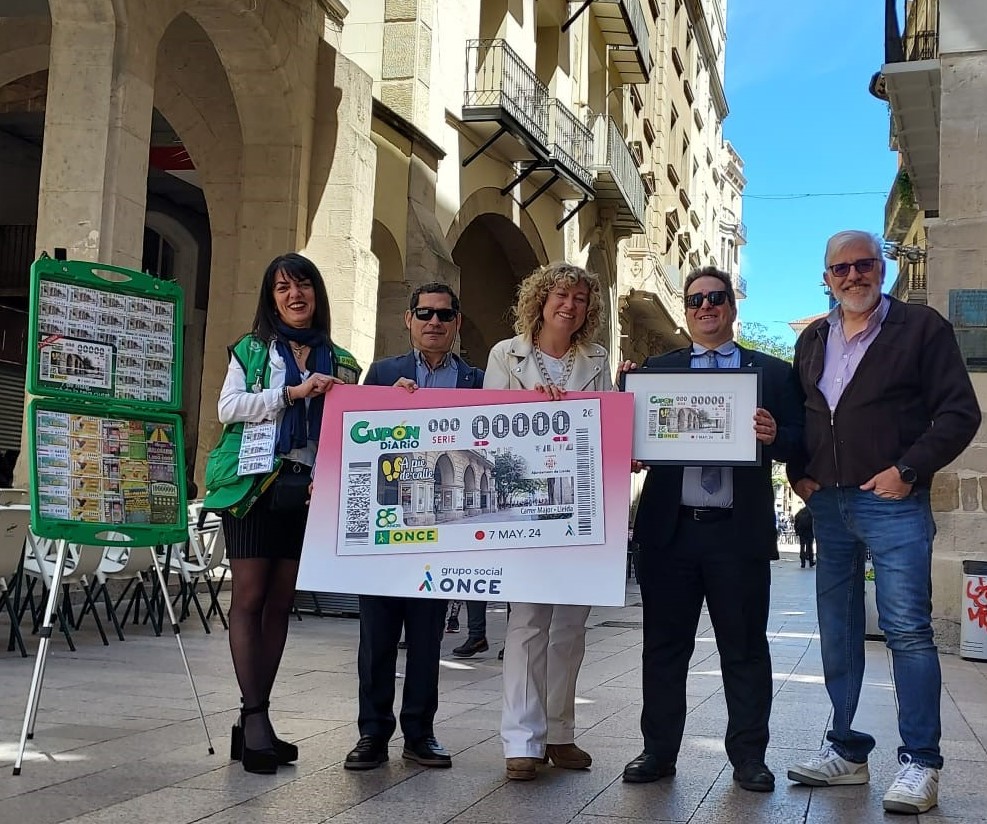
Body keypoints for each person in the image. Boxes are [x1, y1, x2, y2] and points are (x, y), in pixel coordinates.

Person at [785, 230, 980, 815]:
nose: (852, 276)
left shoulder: (921, 329)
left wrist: (909, 469)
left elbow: (959, 412)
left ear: (880, 267)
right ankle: (846, 751)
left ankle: (921, 762)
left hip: (893, 502)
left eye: (863, 264)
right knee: (839, 632)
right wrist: (799, 470)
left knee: (908, 631)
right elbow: (806, 415)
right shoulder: (814, 338)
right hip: (830, 506)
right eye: (840, 269)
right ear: (826, 278)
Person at [622, 266, 803, 793]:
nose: (706, 307)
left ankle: (749, 758)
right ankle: (657, 751)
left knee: (744, 650)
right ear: (686, 310)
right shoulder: (657, 370)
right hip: (669, 532)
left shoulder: (769, 371)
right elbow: (629, 441)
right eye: (696, 299)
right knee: (663, 648)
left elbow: (799, 438)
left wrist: (776, 435)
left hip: (736, 532)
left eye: (716, 298)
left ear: (731, 306)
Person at [202, 253, 361, 774]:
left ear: (317, 293)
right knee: (249, 597)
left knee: (280, 602)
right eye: (282, 288)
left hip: (303, 488)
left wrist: (389, 398)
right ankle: (253, 719)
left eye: (303, 285)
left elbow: (350, 426)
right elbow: (228, 408)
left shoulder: (339, 359)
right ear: (270, 299)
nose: (295, 295)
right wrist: (292, 392)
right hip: (251, 485)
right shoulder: (252, 350)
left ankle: (258, 721)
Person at [345, 282, 484, 771]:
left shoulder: (476, 380)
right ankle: (372, 734)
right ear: (408, 320)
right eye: (424, 313)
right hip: (386, 530)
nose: (434, 322)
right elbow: (356, 439)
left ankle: (420, 734)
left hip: (440, 540)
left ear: (457, 323)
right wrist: (385, 402)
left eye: (444, 315)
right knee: (376, 639)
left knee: (427, 641)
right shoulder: (382, 373)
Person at [485, 261, 614, 782]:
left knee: (570, 627)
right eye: (561, 295)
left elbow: (606, 421)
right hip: (525, 505)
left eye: (580, 299)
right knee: (527, 622)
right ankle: (521, 739)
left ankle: (559, 732)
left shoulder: (598, 358)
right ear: (539, 300)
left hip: (581, 503)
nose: (570, 305)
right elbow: (488, 422)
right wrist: (525, 405)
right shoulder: (506, 354)